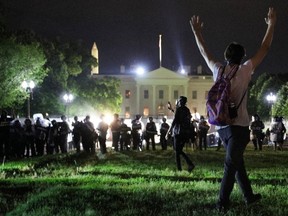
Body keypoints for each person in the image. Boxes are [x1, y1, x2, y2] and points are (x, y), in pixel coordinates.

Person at [190, 7, 276, 211]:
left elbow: (204, 51)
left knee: (236, 162)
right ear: (242, 56)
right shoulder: (245, 70)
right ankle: (222, 202)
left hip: (221, 126)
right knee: (231, 164)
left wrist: (197, 32)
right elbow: (264, 48)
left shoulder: (218, 69)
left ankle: (248, 196)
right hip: (239, 127)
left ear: (226, 56)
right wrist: (271, 25)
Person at [165, 96, 195, 172]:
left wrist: (168, 132)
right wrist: (171, 109)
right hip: (185, 132)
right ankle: (187, 165)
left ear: (179, 102)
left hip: (178, 132)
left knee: (177, 150)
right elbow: (180, 115)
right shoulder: (187, 110)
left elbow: (175, 120)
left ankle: (183, 166)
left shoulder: (179, 109)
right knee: (179, 150)